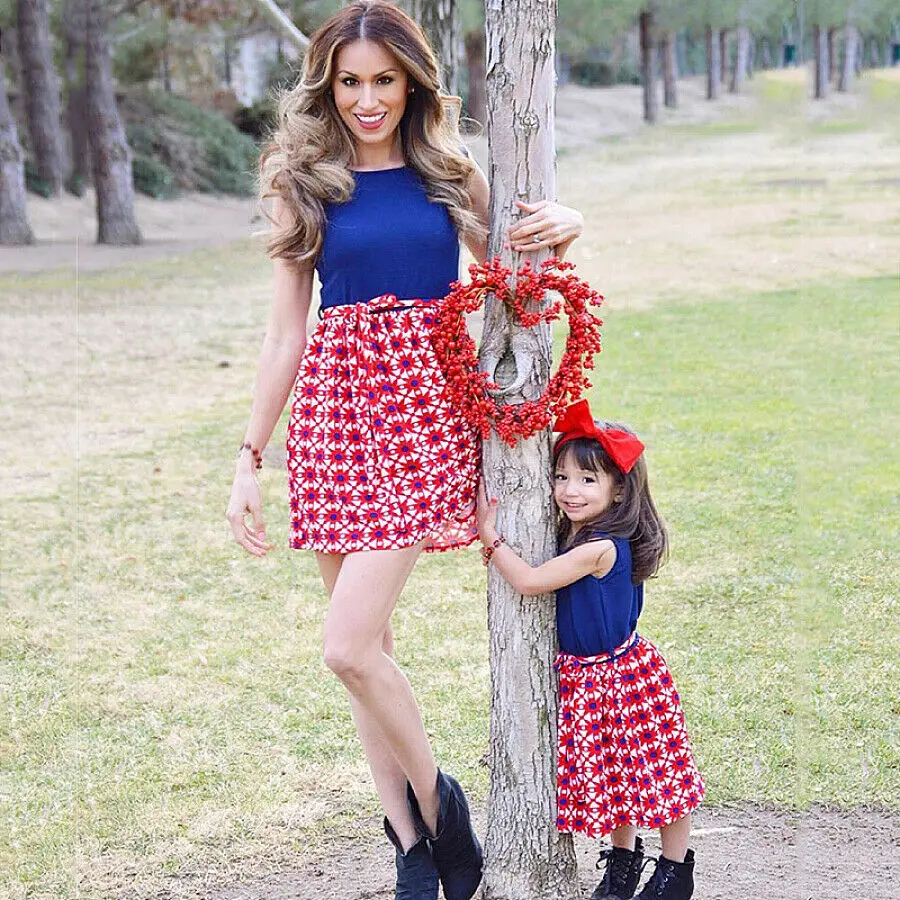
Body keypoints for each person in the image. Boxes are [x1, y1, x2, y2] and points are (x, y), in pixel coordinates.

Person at [225, 3, 584, 898]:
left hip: (425, 417)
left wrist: (569, 221)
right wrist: (249, 458)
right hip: (333, 422)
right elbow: (284, 336)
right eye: (350, 81)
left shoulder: (447, 173)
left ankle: (441, 805)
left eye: (384, 79)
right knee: (368, 650)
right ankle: (409, 847)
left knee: (346, 646)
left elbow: (519, 270)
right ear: (329, 85)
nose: (367, 99)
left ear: (412, 82)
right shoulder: (302, 180)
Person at [475, 399, 705, 900]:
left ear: (619, 488)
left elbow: (532, 582)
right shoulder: (571, 533)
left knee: (656, 776)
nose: (569, 491)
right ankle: (623, 862)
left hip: (623, 677)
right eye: (561, 477)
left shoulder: (601, 547)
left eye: (587, 480)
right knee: (615, 775)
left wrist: (490, 538)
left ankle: (675, 870)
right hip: (585, 677)